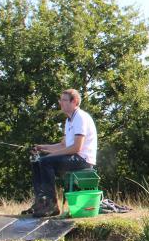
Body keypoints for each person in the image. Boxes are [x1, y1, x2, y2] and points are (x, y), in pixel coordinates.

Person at [25, 89, 97, 217]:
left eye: (64, 100)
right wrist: (43, 148)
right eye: (60, 100)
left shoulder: (80, 117)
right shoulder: (69, 120)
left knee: (46, 161)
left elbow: (76, 147)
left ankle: (51, 206)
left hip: (83, 160)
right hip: (73, 157)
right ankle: (41, 202)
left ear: (74, 101)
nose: (61, 103)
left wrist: (50, 156)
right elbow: (63, 145)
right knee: (37, 161)